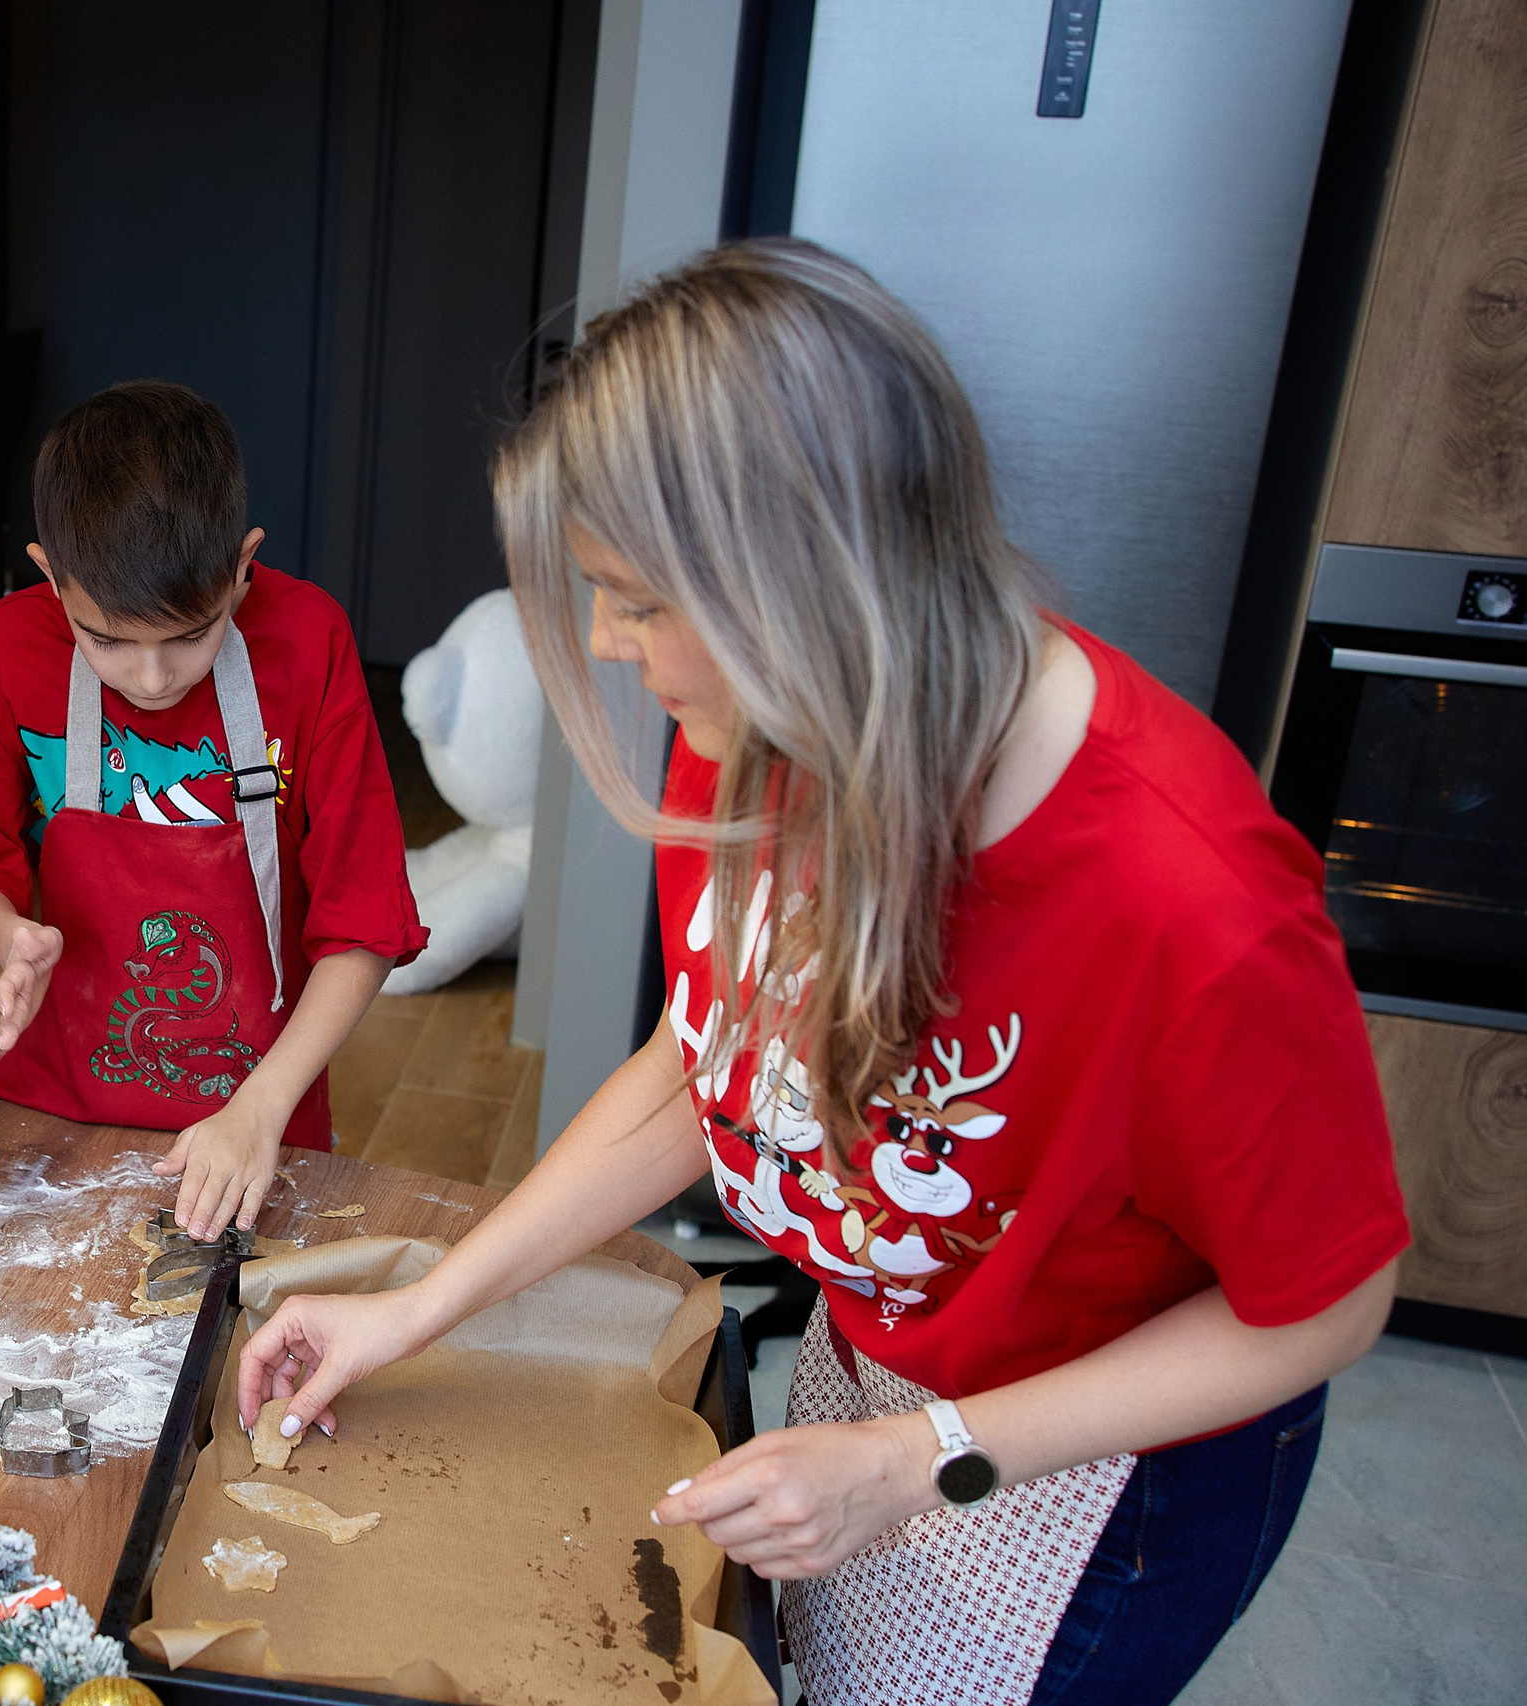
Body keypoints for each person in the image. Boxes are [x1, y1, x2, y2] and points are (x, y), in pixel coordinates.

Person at [236, 241, 1409, 1706]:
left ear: (799, 579)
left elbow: (1324, 1306)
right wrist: (420, 1303)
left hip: (1102, 1456)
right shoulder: (761, 711)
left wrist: (922, 1456)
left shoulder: (1188, 901)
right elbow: (708, 1054)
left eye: (634, 597)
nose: (607, 644)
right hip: (893, 1341)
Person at [0, 382, 426, 1242]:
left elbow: (365, 920)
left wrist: (261, 1108)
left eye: (192, 633)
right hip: (51, 1105)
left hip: (255, 1115)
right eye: (106, 639)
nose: (152, 681)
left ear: (242, 564)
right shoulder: (5, 649)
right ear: (49, 576)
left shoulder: (309, 644)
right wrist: (8, 936)